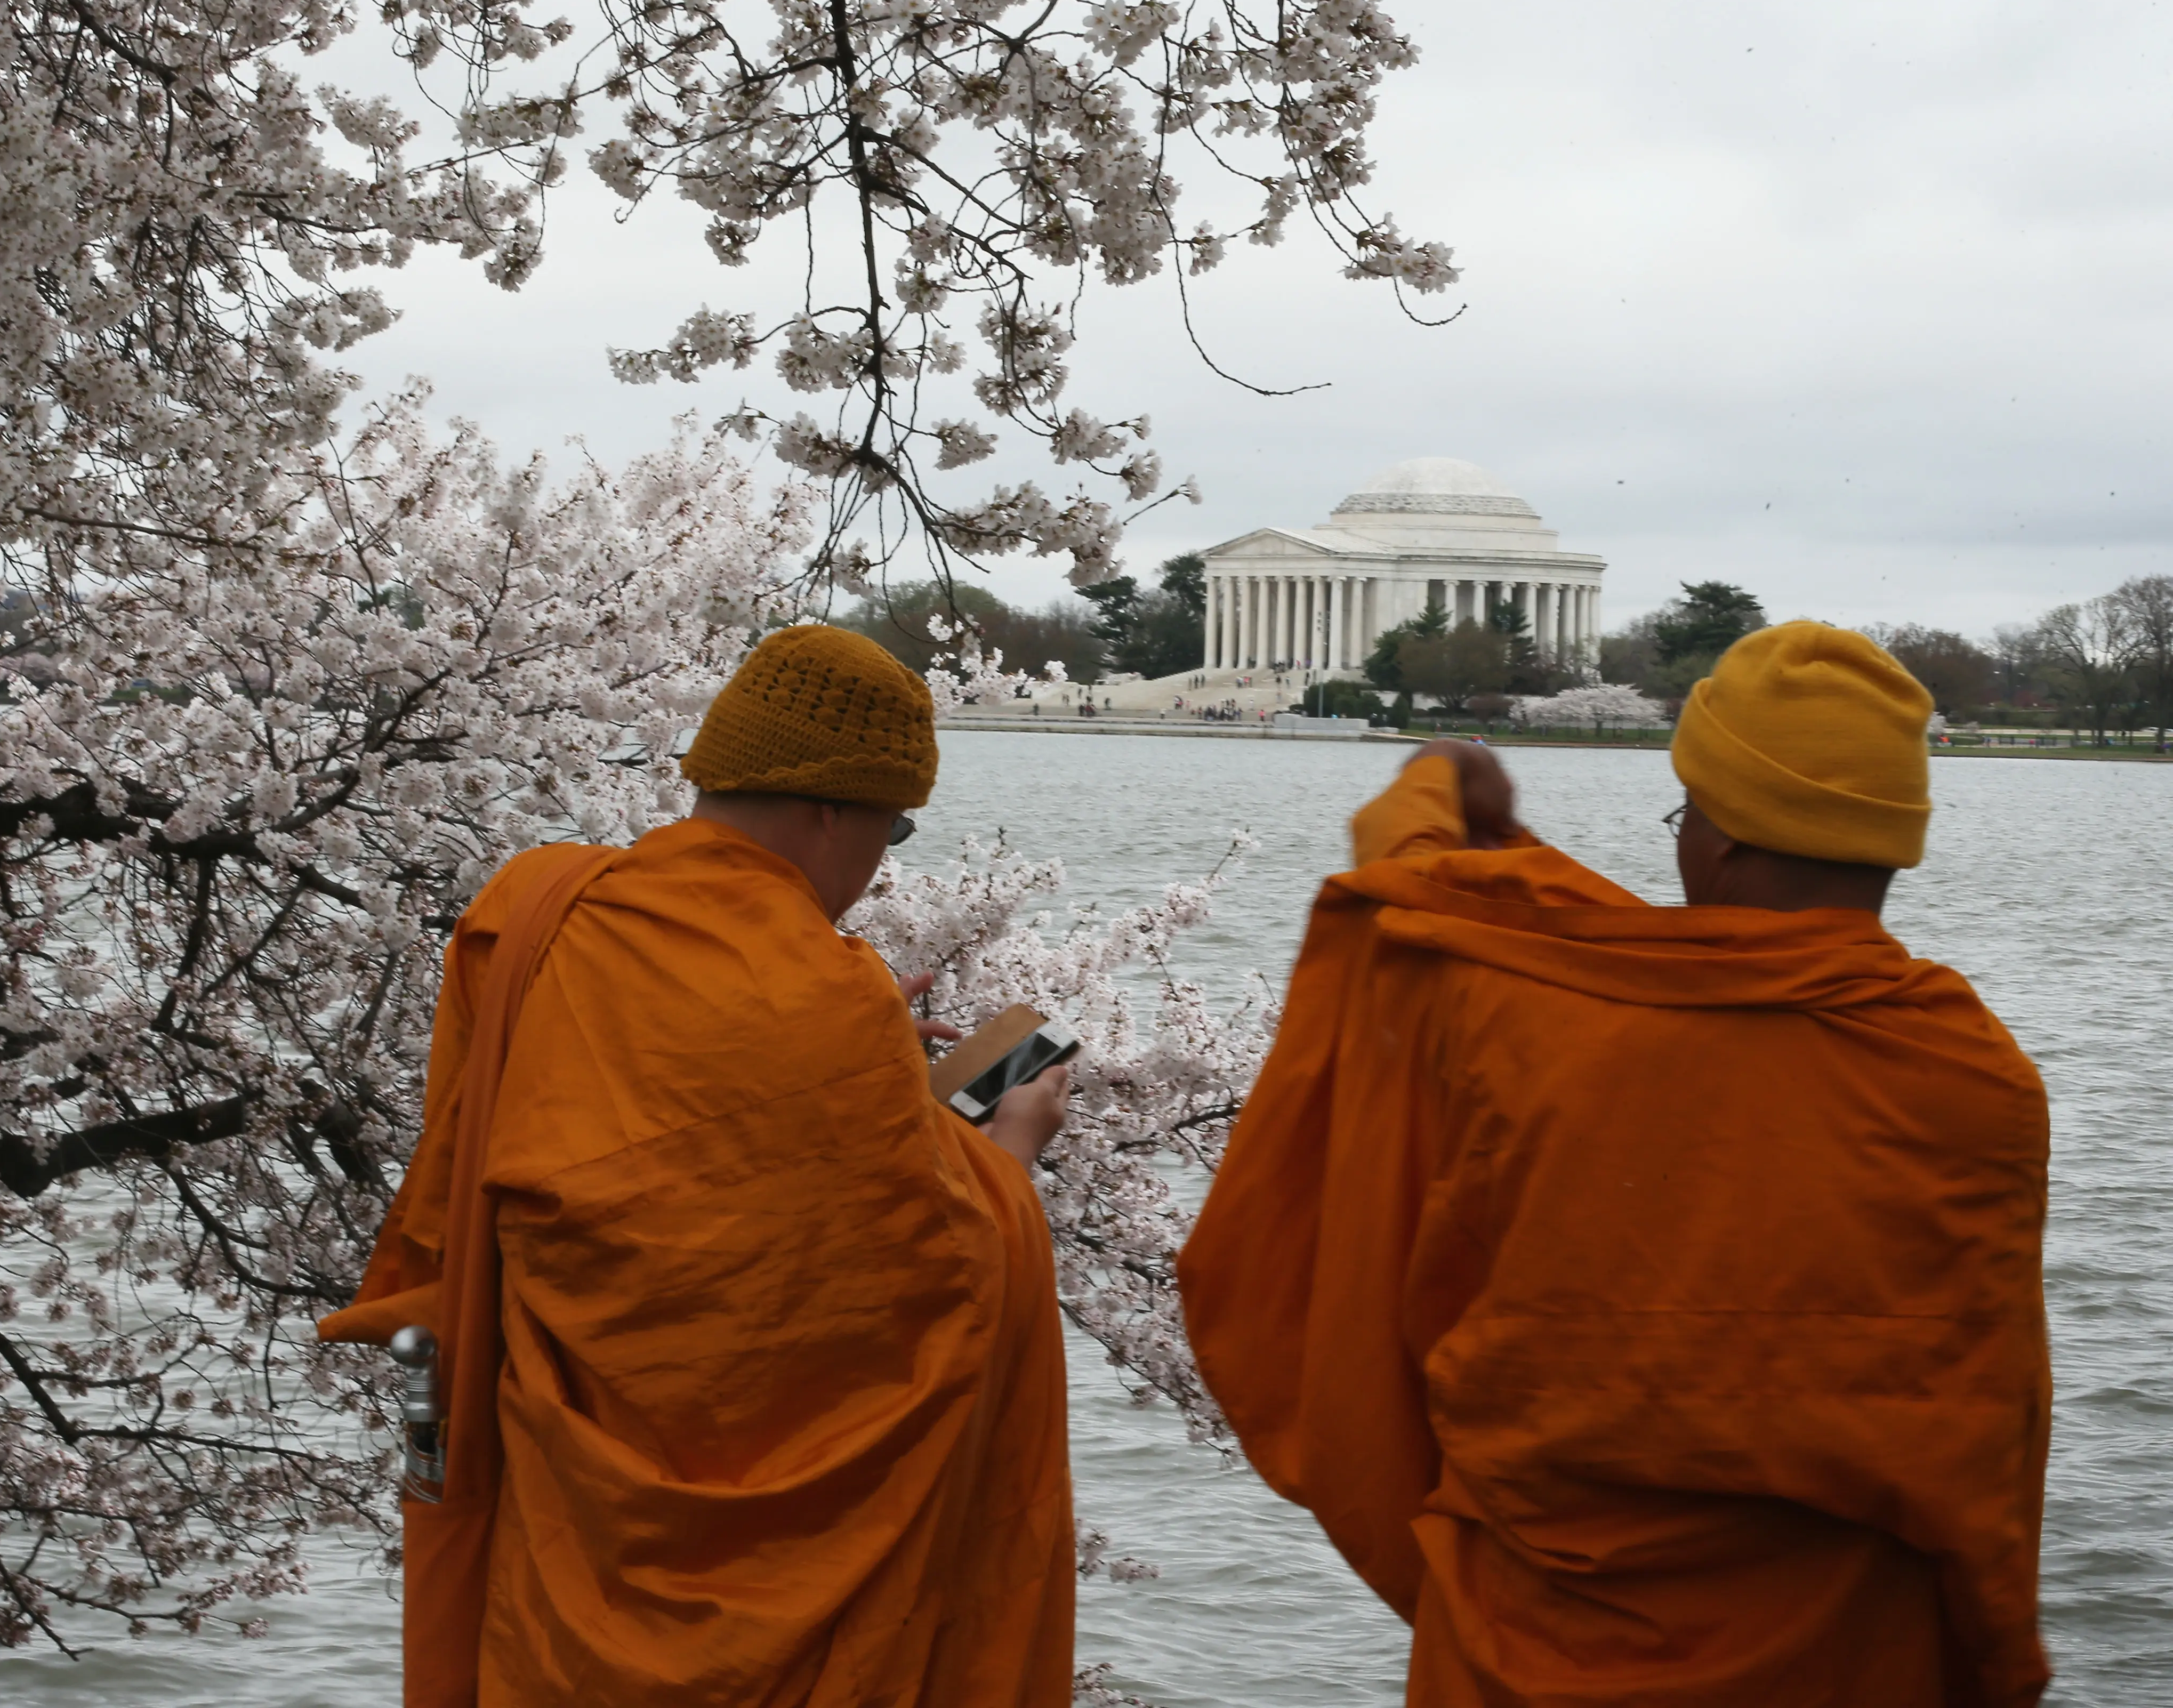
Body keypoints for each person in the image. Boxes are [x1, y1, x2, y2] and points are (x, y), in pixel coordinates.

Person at [1177, 623, 2050, 1705]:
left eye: (1687, 813)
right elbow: (1995, 1420)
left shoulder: (1536, 1023)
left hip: (1540, 1643)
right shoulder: (1974, 1072)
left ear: (1719, 839)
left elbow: (1418, 901)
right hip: (1853, 1652)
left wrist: (1434, 775)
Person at [321, 624, 1076, 1707]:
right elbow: (920, 1294)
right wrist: (1005, 1154)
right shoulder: (832, 993)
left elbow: (521, 1166)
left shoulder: (537, 916)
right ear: (832, 811)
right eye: (892, 830)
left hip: (571, 1527)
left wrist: (850, 1091)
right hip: (779, 1598)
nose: (878, 867)